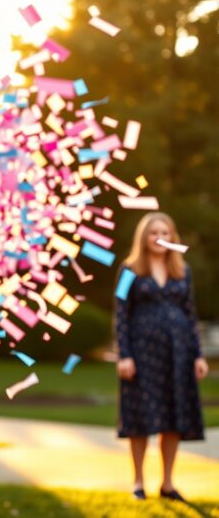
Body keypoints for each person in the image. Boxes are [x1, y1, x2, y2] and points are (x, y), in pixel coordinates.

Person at [114, 212, 207, 501]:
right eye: (153, 233)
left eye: (165, 233)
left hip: (177, 356)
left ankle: (167, 484)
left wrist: (198, 355)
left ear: (173, 237)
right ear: (144, 238)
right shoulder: (128, 270)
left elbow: (191, 314)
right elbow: (120, 314)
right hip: (141, 356)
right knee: (140, 419)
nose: (159, 238)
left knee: (173, 419)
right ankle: (138, 482)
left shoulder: (183, 270)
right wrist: (124, 354)